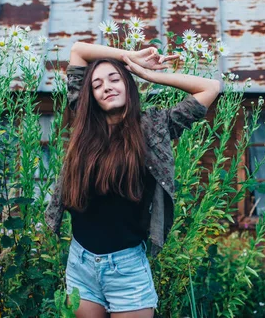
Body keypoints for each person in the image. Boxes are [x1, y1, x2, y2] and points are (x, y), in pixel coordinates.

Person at [44, 41, 221, 317]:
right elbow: (78, 50)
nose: (107, 86)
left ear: (128, 84)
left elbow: (210, 87)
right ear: (90, 95)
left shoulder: (153, 127)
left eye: (115, 79)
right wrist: (128, 55)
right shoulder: (85, 121)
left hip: (126, 267)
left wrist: (146, 73)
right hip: (80, 261)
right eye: (98, 84)